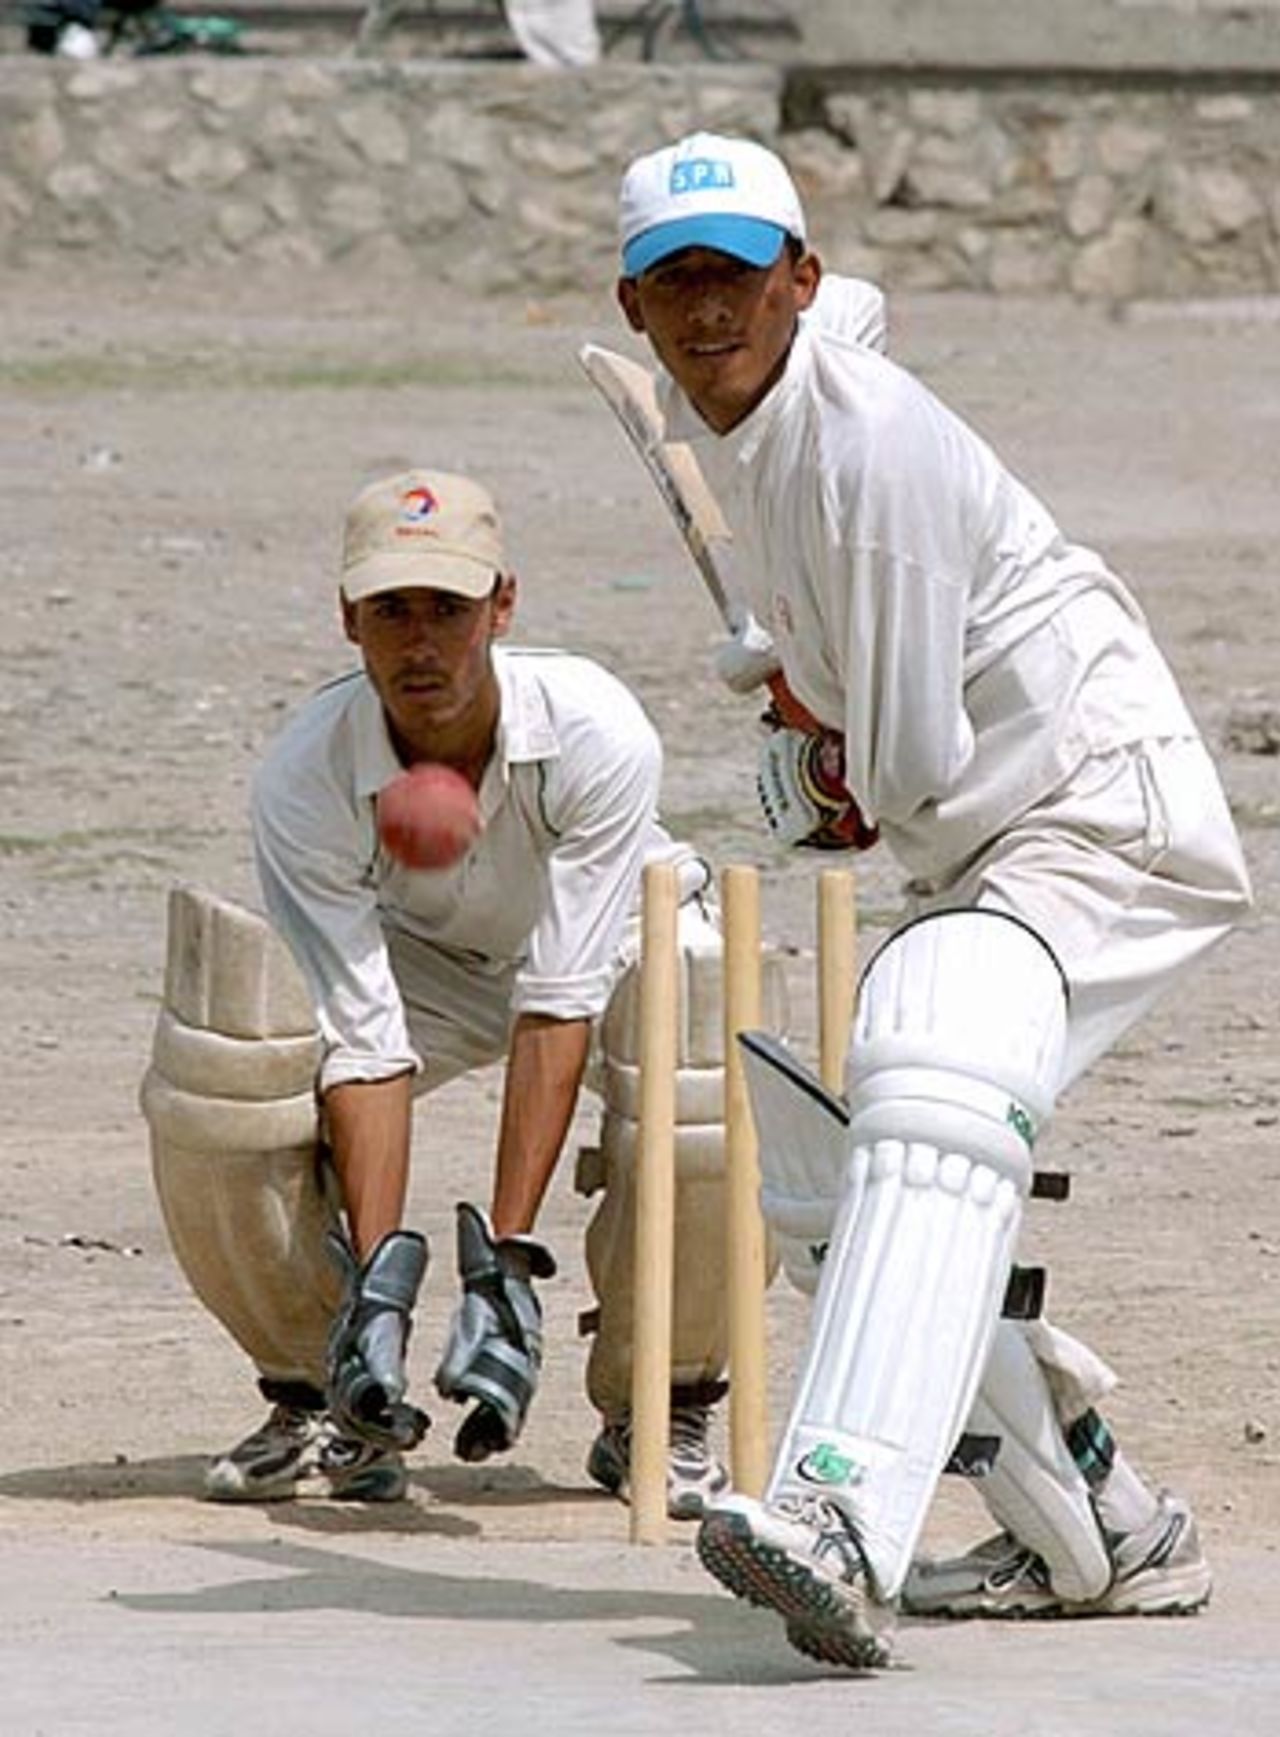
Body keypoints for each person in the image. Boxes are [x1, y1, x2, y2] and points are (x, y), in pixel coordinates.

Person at [609, 131, 1253, 1667]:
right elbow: (865, 335)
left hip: (1102, 810)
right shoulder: (772, 413)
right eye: (675, 283)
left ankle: (838, 1513)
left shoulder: (871, 455)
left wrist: (818, 776)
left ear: (796, 280)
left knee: (932, 1041)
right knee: (846, 1179)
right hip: (1002, 830)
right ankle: (1098, 1523)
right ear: (632, 308)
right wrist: (804, 693)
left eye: (740, 281)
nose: (710, 314)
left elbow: (896, 770)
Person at [142, 466, 771, 1518]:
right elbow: (363, 1033)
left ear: (503, 607)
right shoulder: (305, 773)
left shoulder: (594, 729)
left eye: (449, 608)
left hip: (613, 941)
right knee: (228, 1074)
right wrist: (383, 1282)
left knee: (705, 1070)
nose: (420, 643)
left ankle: (659, 1404)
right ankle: (334, 1388)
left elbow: (558, 995)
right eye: (392, 610)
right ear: (348, 619)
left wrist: (505, 1271)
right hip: (420, 961)